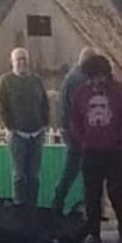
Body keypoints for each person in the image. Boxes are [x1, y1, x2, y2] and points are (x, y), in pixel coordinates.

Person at [67, 53, 122, 243]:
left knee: (117, 193)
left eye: (100, 76)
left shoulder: (120, 91)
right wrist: (82, 138)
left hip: (115, 151)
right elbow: (75, 119)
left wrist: (119, 139)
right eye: (92, 77)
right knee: (92, 195)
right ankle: (94, 234)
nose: (97, 81)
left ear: (107, 74)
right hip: (90, 151)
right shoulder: (82, 93)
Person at [49, 46, 101, 215]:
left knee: (73, 170)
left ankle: (60, 203)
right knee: (76, 170)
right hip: (77, 133)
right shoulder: (80, 79)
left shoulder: (72, 76)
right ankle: (60, 203)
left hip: (72, 131)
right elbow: (80, 108)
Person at [0, 47, 50, 208]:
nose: (22, 62)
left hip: (37, 133)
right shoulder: (6, 81)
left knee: (34, 175)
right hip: (17, 135)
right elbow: (0, 107)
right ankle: (20, 206)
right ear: (12, 62)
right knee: (19, 174)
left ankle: (32, 207)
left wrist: (44, 124)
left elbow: (45, 103)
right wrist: (10, 127)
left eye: (24, 59)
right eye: (18, 59)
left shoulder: (36, 80)